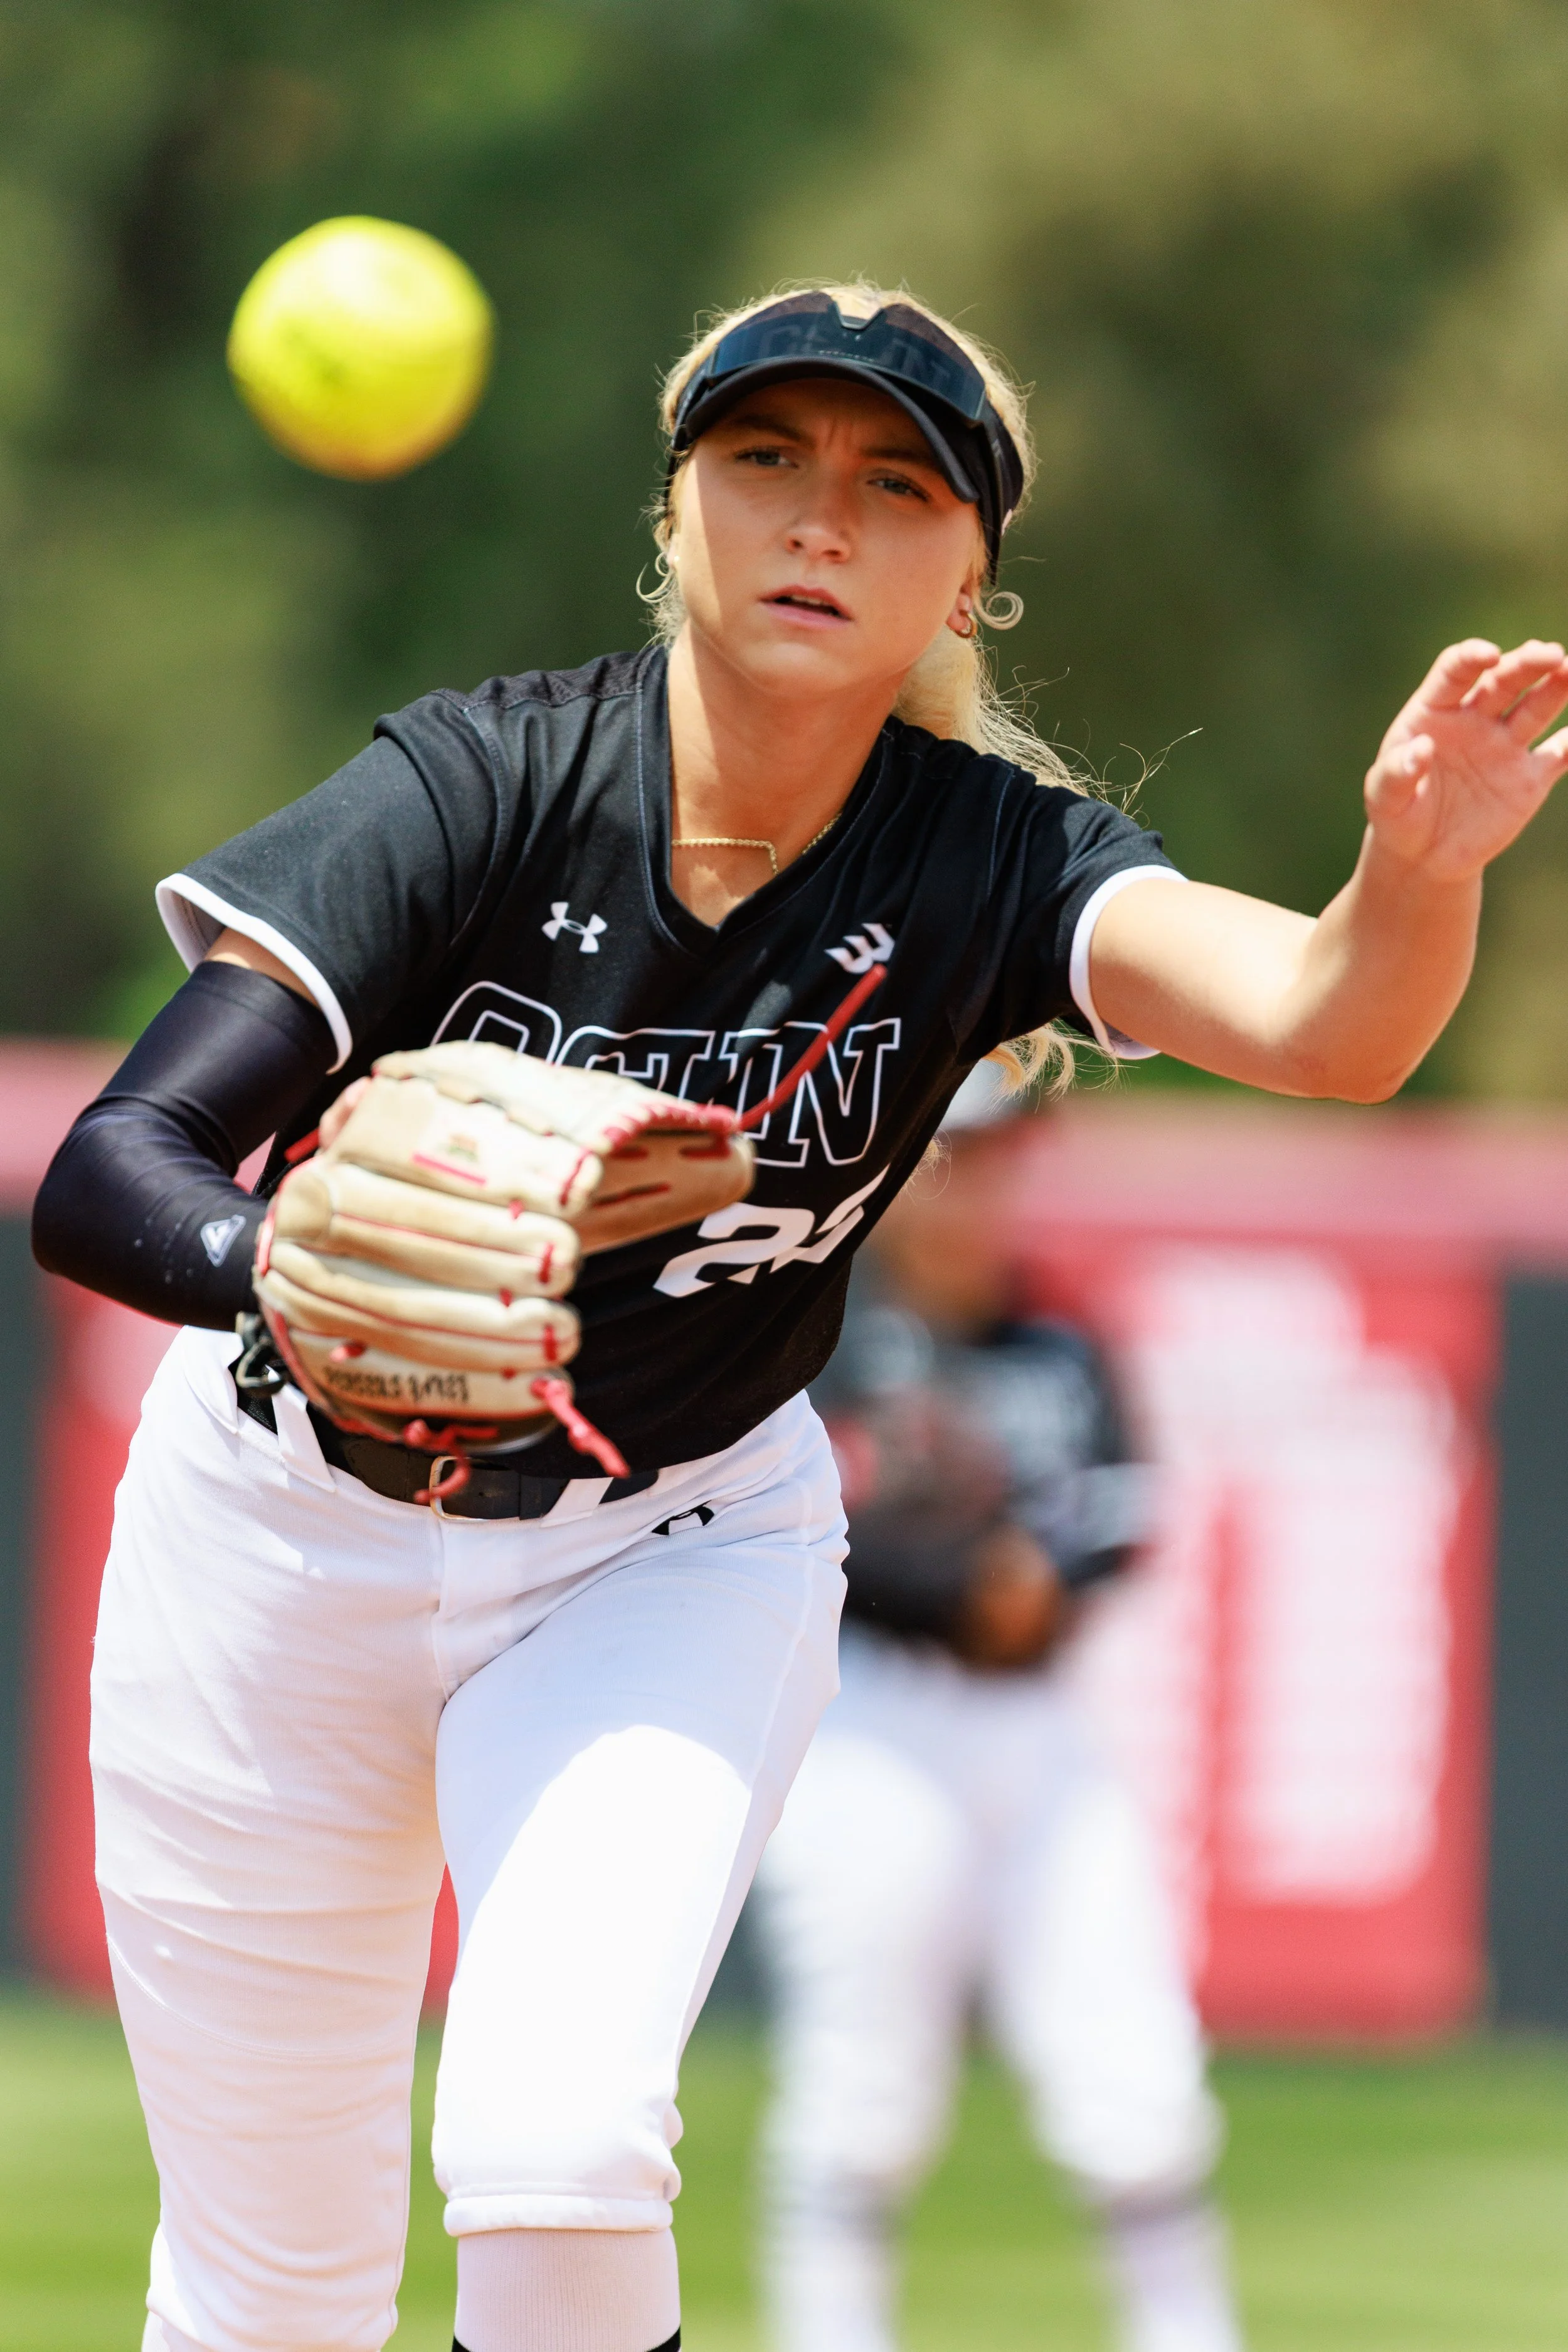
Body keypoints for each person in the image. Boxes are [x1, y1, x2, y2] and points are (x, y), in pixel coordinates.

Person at [29, 279, 1568, 2352]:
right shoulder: (484, 784)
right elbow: (116, 1166)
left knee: (560, 2143)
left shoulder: (995, 862)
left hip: (653, 1544)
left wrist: (1423, 867)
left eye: (894, 483)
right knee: (270, 2293)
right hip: (275, 1551)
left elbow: (1324, 1025)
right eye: (764, 459)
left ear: (970, 580)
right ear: (678, 515)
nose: (821, 521)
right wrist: (269, 1274)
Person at [753, 1066, 1242, 2352]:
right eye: (951, 1158)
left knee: (1134, 2078)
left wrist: (1045, 1578)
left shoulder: (1057, 1341)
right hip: (870, 1718)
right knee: (862, 2090)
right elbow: (796, 1519)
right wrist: (967, 1583)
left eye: (997, 1159)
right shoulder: (826, 1335)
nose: (975, 1188)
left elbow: (1124, 1511)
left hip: (1043, 1724)